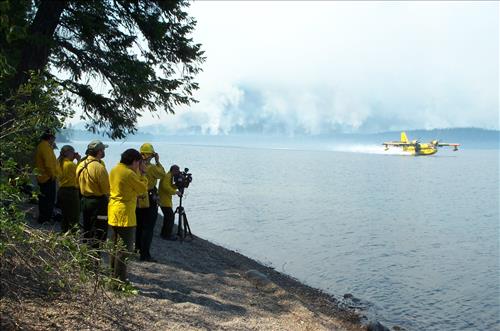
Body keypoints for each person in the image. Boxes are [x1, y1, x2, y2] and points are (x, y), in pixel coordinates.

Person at [108, 149, 148, 282]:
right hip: (125, 213)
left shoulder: (115, 169)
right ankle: (120, 280)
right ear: (134, 161)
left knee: (114, 246)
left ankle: (112, 275)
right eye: (139, 162)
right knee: (125, 248)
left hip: (113, 210)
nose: (139, 165)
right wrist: (143, 174)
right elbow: (142, 189)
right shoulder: (130, 174)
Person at [76, 140, 109, 248]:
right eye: (103, 150)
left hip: (85, 201)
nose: (104, 152)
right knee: (99, 230)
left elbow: (77, 183)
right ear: (99, 151)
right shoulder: (99, 167)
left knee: (87, 228)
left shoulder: (81, 164)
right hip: (98, 203)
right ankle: (94, 259)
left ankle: (85, 254)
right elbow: (106, 189)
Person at [135, 143, 166, 262]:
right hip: (149, 195)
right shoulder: (152, 167)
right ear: (150, 155)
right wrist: (158, 161)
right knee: (148, 227)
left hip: (138, 195)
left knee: (139, 225)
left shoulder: (135, 165)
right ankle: (145, 254)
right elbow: (162, 174)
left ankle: (136, 248)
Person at [34, 130, 59, 224]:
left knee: (45, 199)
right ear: (50, 138)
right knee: (48, 199)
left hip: (44, 176)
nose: (54, 140)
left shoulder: (44, 146)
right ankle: (45, 219)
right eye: (54, 138)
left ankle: (44, 218)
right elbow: (48, 164)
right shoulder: (45, 147)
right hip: (47, 177)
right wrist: (52, 175)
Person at [56, 145, 81, 233]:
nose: (74, 154)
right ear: (68, 153)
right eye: (72, 152)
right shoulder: (70, 165)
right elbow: (79, 174)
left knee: (65, 215)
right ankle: (73, 235)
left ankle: (64, 232)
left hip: (62, 191)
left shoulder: (59, 162)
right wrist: (78, 160)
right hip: (71, 192)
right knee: (74, 216)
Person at [158, 164, 182, 240]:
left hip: (165, 200)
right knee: (170, 217)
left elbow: (170, 185)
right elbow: (165, 187)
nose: (178, 172)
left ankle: (164, 233)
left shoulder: (170, 176)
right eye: (177, 170)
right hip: (164, 201)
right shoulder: (167, 176)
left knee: (168, 217)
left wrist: (177, 185)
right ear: (174, 170)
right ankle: (166, 235)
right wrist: (175, 192)